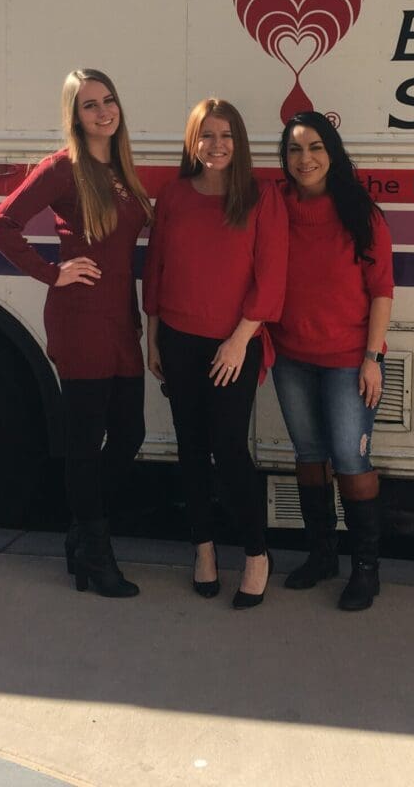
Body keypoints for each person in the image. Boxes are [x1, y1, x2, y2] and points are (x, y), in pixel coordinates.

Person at [0, 69, 153, 598]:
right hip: (81, 318)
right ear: (74, 116)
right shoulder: (64, 169)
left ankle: (82, 534)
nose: (104, 111)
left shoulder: (122, 167)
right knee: (85, 441)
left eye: (109, 101)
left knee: (129, 434)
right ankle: (96, 554)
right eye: (89, 106)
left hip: (121, 318)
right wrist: (53, 272)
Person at [143, 98, 288, 609]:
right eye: (206, 136)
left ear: (239, 141)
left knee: (228, 450)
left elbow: (271, 280)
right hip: (179, 340)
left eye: (225, 135)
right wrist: (152, 333)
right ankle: (203, 550)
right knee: (189, 448)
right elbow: (157, 267)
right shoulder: (175, 196)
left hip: (236, 344)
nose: (216, 145)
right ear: (192, 142)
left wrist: (238, 340)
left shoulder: (260, 197)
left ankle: (255, 554)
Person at [268, 111, 394, 611]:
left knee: (350, 460)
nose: (306, 159)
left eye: (316, 147)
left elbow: (381, 291)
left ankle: (367, 569)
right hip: (289, 356)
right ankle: (322, 555)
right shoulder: (274, 207)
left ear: (333, 152)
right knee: (309, 457)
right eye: (295, 149)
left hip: (347, 361)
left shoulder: (362, 214)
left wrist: (372, 358)